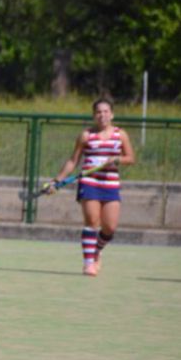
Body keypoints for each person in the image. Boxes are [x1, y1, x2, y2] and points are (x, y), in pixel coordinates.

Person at [51, 97, 135, 276]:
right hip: (90, 183)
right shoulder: (86, 136)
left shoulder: (120, 135)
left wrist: (117, 159)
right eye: (98, 112)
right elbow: (73, 161)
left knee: (110, 228)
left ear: (111, 114)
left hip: (110, 184)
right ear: (93, 115)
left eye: (106, 112)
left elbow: (131, 158)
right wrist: (57, 181)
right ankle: (88, 263)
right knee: (91, 221)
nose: (102, 115)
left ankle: (97, 249)